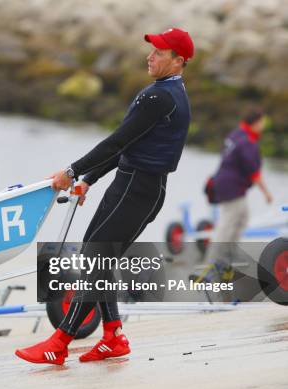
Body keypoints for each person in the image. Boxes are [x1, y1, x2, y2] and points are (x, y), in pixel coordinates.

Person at [15, 28, 195, 365]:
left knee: (96, 259)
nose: (150, 56)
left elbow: (116, 141)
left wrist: (70, 172)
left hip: (138, 189)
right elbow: (128, 146)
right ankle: (113, 335)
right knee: (97, 258)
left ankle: (60, 342)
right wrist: (89, 178)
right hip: (131, 185)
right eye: (151, 50)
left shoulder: (162, 98)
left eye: (158, 52)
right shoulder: (163, 93)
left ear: (178, 61)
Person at [200, 108, 273, 284]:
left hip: (222, 183)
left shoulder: (236, 134)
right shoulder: (247, 142)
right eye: (262, 122)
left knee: (241, 218)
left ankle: (227, 260)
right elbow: (254, 173)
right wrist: (267, 193)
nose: (263, 126)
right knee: (226, 225)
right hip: (231, 188)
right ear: (255, 123)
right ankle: (209, 268)